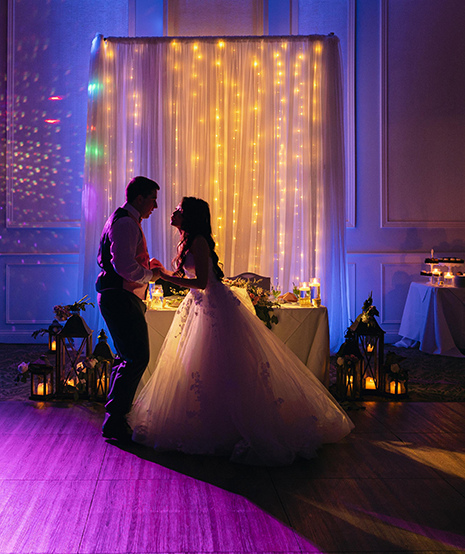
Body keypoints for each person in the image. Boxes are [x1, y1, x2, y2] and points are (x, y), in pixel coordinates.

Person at [128, 197, 353, 465]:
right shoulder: (189, 240)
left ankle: (234, 428)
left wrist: (164, 276)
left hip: (212, 307)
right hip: (200, 306)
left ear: (190, 216)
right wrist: (164, 272)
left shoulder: (198, 241)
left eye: (178, 209)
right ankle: (211, 421)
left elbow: (200, 282)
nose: (173, 212)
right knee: (199, 366)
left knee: (220, 366)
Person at [96, 176, 165, 441]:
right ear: (140, 198)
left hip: (119, 297)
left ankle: (115, 417)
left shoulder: (124, 219)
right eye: (152, 200)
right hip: (120, 297)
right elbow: (124, 266)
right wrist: (152, 275)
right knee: (137, 357)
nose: (155, 207)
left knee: (127, 356)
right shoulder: (125, 222)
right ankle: (114, 420)